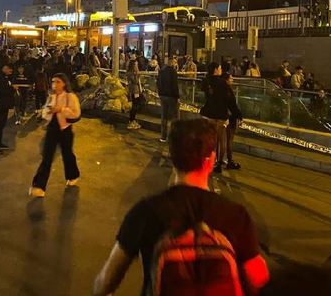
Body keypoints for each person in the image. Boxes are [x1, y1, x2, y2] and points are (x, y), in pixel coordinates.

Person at [93, 119, 269, 296]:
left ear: (172, 157)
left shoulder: (145, 212)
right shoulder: (235, 215)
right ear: (211, 160)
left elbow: (105, 282)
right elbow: (258, 277)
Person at [29, 73, 81, 197]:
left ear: (64, 83)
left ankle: (73, 175)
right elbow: (45, 114)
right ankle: (39, 186)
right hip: (52, 130)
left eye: (58, 81)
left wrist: (61, 110)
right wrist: (49, 111)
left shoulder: (70, 97)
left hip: (65, 130)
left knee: (67, 154)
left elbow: (76, 114)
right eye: (53, 81)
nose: (55, 84)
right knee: (47, 157)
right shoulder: (51, 97)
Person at [200, 62, 239, 173]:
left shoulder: (206, 81)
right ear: (216, 70)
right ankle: (219, 163)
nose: (221, 70)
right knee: (220, 140)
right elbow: (230, 101)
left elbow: (205, 93)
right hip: (220, 114)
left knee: (210, 139)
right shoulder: (222, 83)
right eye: (220, 68)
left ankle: (208, 161)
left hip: (208, 113)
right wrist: (236, 113)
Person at [156, 58, 179, 142]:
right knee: (174, 117)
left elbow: (158, 83)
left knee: (164, 116)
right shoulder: (173, 72)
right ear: (172, 62)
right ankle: (172, 136)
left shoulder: (162, 71)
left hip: (163, 96)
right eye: (175, 62)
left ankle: (163, 136)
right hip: (171, 97)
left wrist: (160, 93)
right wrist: (177, 97)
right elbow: (175, 85)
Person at [224, 72, 243, 169]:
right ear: (226, 80)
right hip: (230, 118)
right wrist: (239, 116)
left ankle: (221, 159)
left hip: (224, 117)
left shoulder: (221, 90)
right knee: (229, 140)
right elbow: (233, 106)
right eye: (231, 78)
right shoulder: (228, 91)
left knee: (225, 140)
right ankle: (229, 160)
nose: (232, 80)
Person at [126, 60, 143, 130]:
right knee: (135, 105)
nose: (137, 66)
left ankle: (133, 120)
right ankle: (131, 120)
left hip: (137, 90)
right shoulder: (130, 73)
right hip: (134, 91)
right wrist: (137, 75)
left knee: (136, 105)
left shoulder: (134, 72)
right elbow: (135, 81)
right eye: (136, 65)